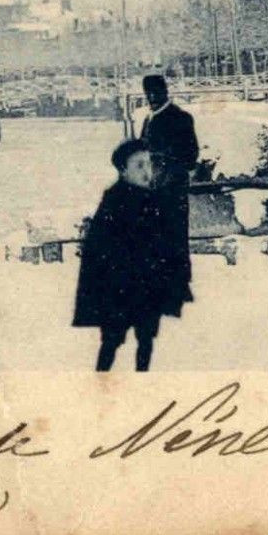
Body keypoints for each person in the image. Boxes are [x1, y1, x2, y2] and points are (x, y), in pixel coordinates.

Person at [73, 139, 171, 371]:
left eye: (148, 164)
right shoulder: (113, 200)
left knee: (146, 340)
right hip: (119, 287)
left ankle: (142, 383)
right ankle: (101, 384)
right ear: (123, 170)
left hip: (146, 285)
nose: (146, 171)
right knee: (112, 341)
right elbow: (98, 246)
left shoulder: (153, 199)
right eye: (139, 166)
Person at [139, 74, 197, 317]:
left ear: (165, 92)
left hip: (171, 190)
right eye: (148, 94)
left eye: (156, 93)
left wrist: (165, 167)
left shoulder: (181, 118)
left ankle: (179, 289)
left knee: (174, 238)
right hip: (152, 190)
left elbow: (190, 155)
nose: (152, 98)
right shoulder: (148, 120)